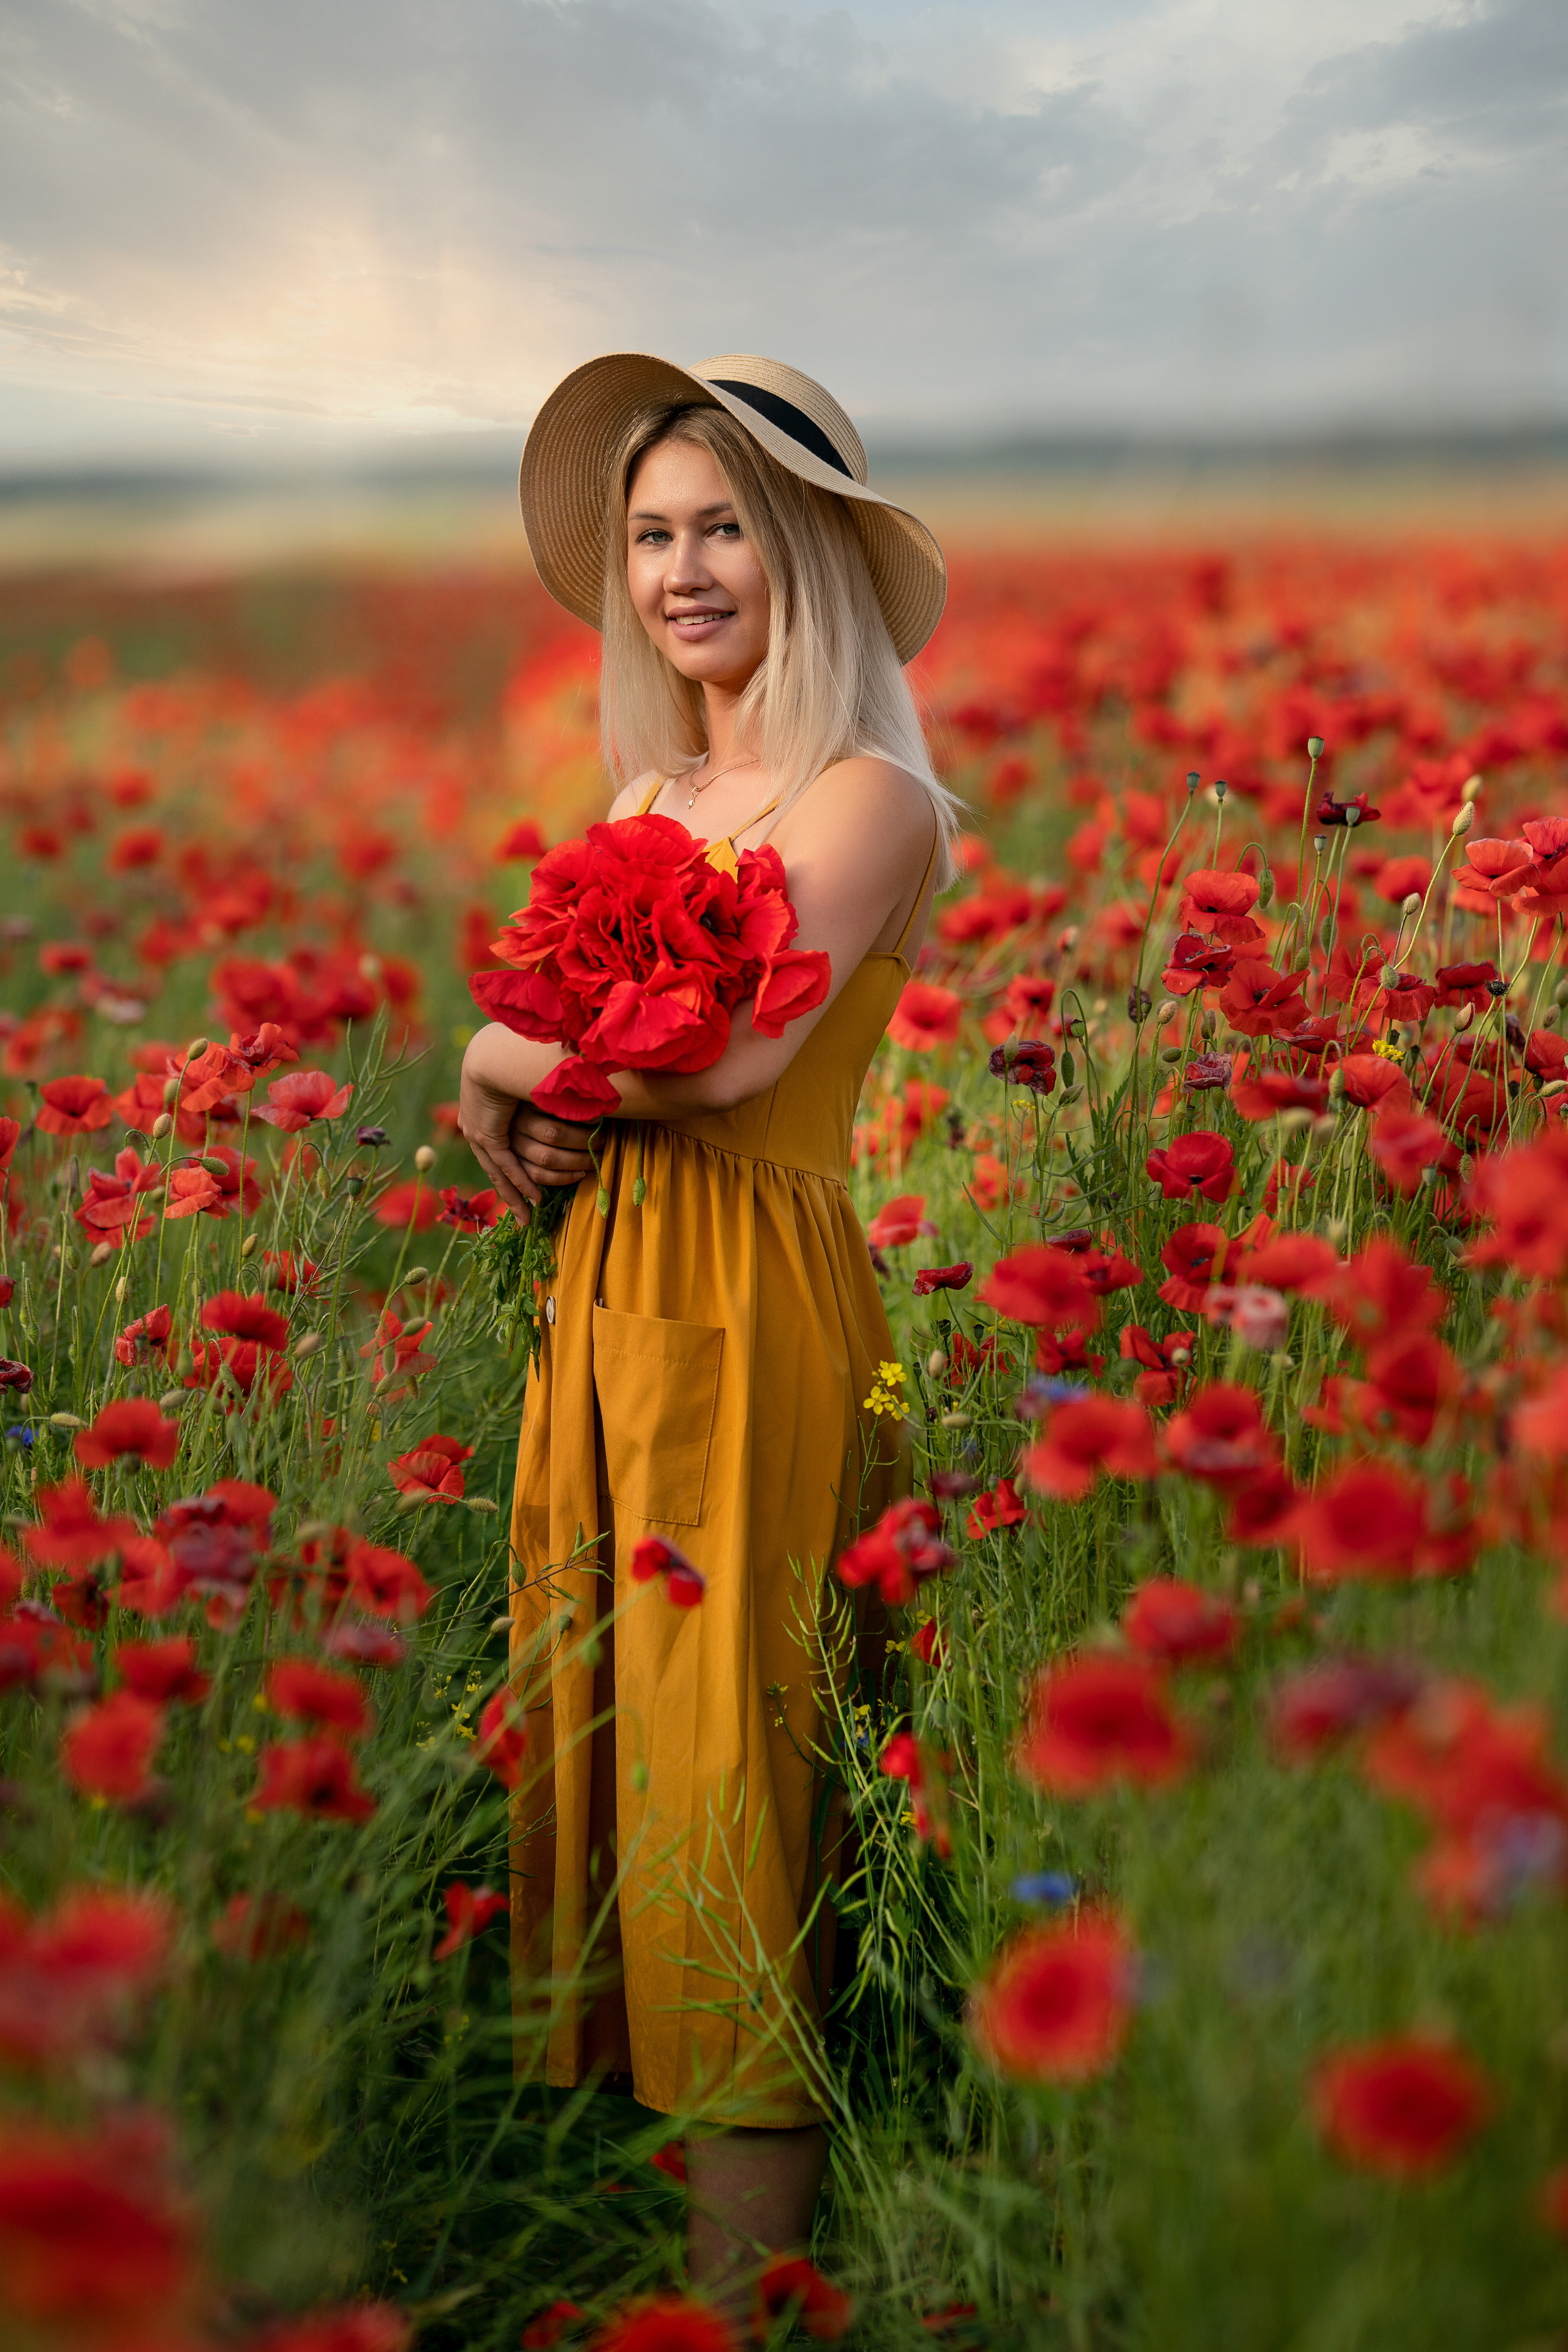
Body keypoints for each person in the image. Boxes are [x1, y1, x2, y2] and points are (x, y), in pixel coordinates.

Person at [459, 352, 958, 2304]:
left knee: (736, 1763)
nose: (681, 570)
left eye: (724, 525)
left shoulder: (874, 797)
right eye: (653, 534)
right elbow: (610, 1067)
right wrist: (540, 1074)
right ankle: (662, 2253)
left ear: (809, 547)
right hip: (612, 1293)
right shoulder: (656, 787)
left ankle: (750, 2306)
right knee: (626, 1737)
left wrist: (500, 1053)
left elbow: (722, 1060)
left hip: (752, 1301)